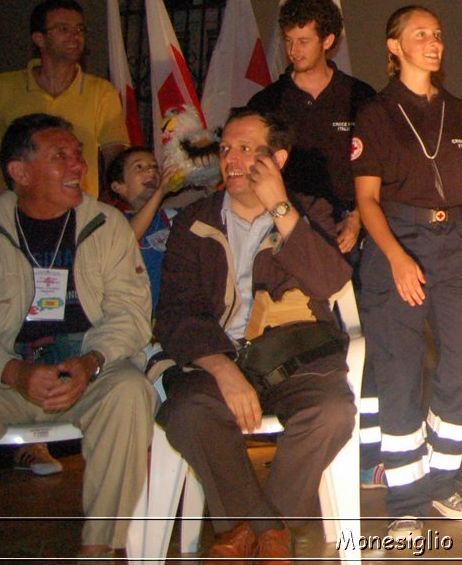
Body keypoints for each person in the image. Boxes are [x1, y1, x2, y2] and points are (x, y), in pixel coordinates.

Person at [0, 113, 154, 562]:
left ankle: (98, 551)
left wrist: (92, 361)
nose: (78, 165)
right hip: (2, 373)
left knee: (131, 391)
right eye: (60, 156)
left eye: (78, 154)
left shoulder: (107, 225)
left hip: (86, 368)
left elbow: (132, 315)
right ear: (19, 172)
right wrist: (12, 371)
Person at [150, 107, 356, 565]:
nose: (232, 159)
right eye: (226, 149)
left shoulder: (310, 209)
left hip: (295, 356)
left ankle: (244, 534)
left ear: (277, 159)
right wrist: (222, 368)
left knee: (332, 413)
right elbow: (174, 312)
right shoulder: (194, 221)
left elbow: (329, 281)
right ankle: (271, 538)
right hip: (218, 357)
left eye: (246, 149)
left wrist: (282, 209)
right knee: (186, 412)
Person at [354, 5, 462, 539]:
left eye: (437, 33)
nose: (433, 42)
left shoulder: (461, 111)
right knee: (400, 369)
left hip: (456, 239)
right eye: (419, 34)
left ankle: (440, 478)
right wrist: (396, 257)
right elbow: (366, 200)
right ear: (394, 46)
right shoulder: (376, 113)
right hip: (398, 238)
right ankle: (406, 500)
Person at [245, 0, 377, 253]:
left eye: (303, 41)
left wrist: (357, 219)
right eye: (289, 41)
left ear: (327, 41)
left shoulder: (360, 97)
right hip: (283, 221)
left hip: (345, 226)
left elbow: (377, 166)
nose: (293, 51)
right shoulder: (267, 101)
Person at [0, 0, 128, 199]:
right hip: (14, 212)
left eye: (80, 29)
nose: (75, 36)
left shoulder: (102, 92)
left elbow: (114, 158)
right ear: (39, 38)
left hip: (76, 213)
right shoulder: (1, 88)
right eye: (63, 29)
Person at [105, 145, 178, 309]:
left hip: (170, 316)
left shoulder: (172, 217)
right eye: (139, 167)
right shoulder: (114, 220)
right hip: (134, 316)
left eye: (154, 167)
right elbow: (127, 239)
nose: (150, 171)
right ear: (119, 187)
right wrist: (160, 192)